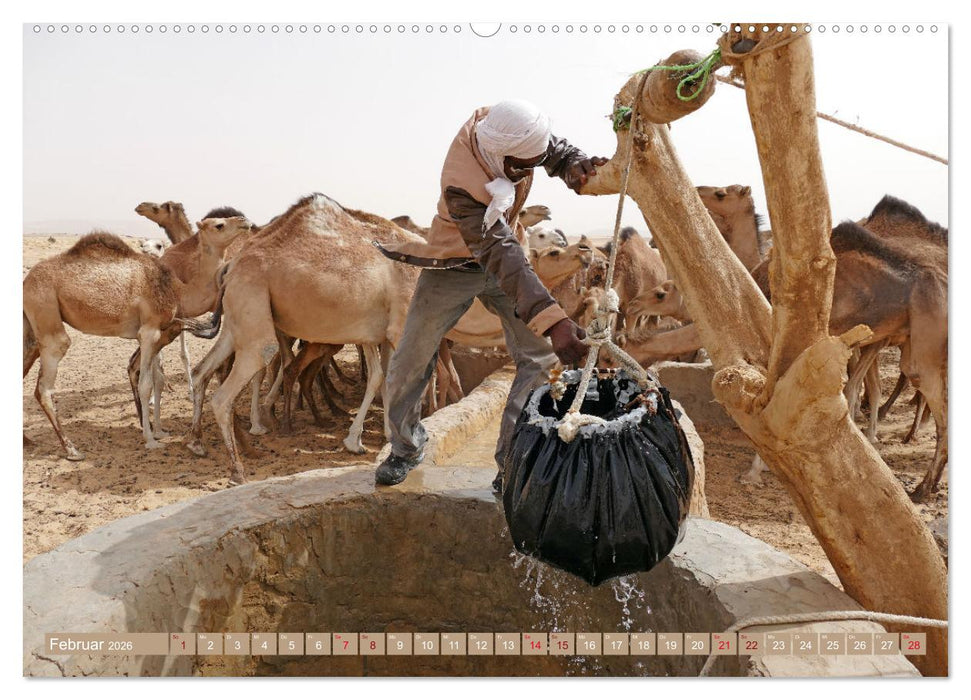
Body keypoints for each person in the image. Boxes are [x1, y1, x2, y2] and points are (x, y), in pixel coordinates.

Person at [373, 99, 608, 489]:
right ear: (498, 155)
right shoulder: (461, 181)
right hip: (456, 262)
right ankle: (405, 447)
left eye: (534, 163)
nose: (528, 172)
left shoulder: (515, 134)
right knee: (410, 358)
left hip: (506, 254)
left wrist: (571, 163)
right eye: (521, 167)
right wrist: (554, 321)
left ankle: (513, 462)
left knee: (538, 357)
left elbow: (549, 150)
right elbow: (498, 252)